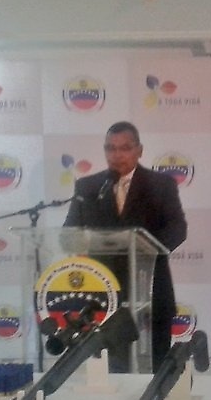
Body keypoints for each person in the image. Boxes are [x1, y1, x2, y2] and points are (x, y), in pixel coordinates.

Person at [64, 121, 187, 373]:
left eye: (125, 148)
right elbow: (69, 233)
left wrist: (146, 250)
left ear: (139, 150)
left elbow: (177, 229)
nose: (117, 155)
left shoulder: (161, 185)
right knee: (109, 369)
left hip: (149, 285)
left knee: (156, 363)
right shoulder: (88, 187)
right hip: (103, 290)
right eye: (110, 148)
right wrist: (81, 242)